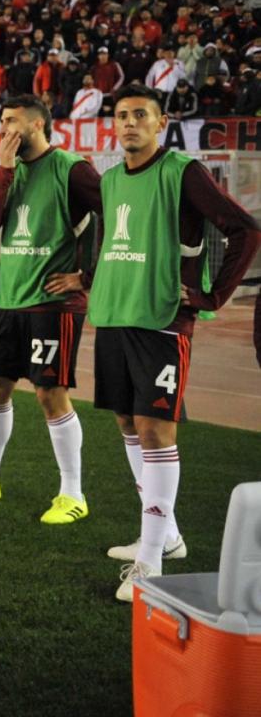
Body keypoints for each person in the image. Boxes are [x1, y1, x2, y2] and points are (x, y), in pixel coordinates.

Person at [86, 84, 260, 602]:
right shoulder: (112, 178)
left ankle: (151, 561)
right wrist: (89, 280)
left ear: (162, 124)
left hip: (163, 321)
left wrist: (212, 296)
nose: (129, 123)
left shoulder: (182, 172)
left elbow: (244, 230)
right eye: (121, 115)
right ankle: (168, 534)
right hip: (116, 315)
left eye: (141, 115)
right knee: (126, 421)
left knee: (156, 429)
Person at [0, 94, 102, 526]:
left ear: (36, 125)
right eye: (2, 121)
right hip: (10, 298)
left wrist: (86, 276)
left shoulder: (72, 169)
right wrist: (4, 174)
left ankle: (73, 493)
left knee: (49, 393)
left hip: (53, 303)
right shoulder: (11, 173)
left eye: (11, 121)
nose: (3, 128)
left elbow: (116, 219)